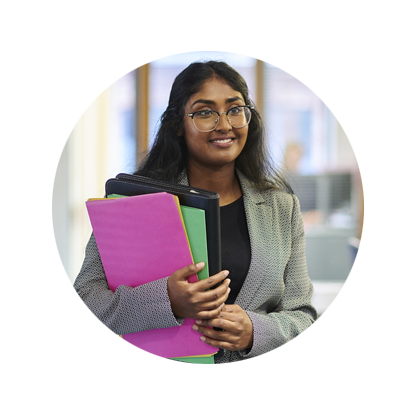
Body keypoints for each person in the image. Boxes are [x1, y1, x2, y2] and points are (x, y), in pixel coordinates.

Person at [64, 60, 318, 364]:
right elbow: (82, 309)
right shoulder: (133, 205)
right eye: (205, 112)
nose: (224, 124)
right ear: (178, 126)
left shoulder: (281, 208)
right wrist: (168, 300)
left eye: (235, 109)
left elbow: (303, 319)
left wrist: (255, 330)